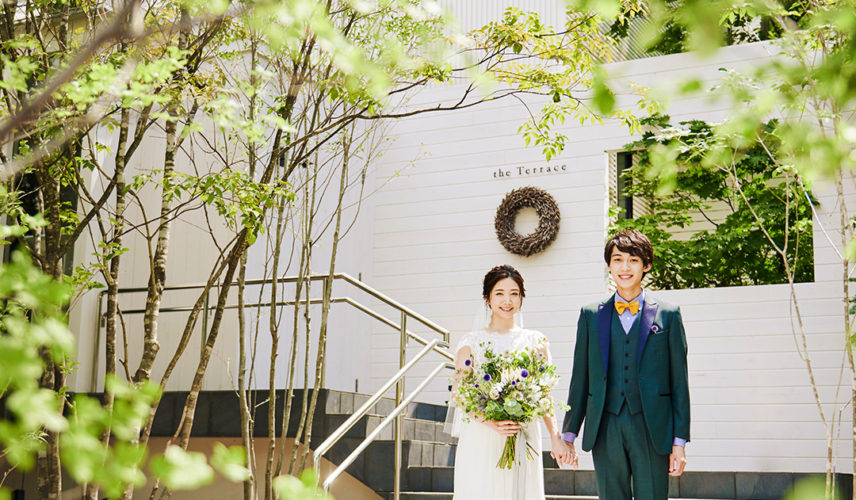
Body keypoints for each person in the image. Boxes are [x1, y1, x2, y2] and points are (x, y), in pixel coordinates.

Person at [560, 229, 690, 499]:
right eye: (618, 260)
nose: (625, 267)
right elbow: (580, 379)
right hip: (605, 425)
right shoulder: (590, 315)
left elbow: (679, 382)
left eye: (633, 260)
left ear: (646, 265)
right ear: (609, 265)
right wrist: (569, 434)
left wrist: (679, 442)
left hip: (652, 426)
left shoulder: (669, 314)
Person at [450, 265, 572, 500]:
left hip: (523, 435)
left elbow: (544, 393)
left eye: (514, 293)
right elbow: (460, 394)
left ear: (521, 297)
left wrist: (555, 437)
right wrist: (491, 422)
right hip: (482, 436)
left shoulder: (536, 341)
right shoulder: (471, 343)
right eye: (499, 293)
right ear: (487, 298)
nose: (507, 300)